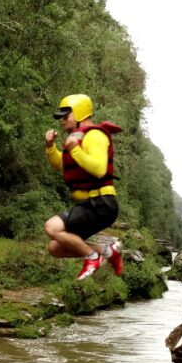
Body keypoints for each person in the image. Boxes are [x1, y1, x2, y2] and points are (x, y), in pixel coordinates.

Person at [43, 94, 123, 280]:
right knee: (55, 248)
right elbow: (59, 164)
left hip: (102, 203)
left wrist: (75, 149)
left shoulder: (95, 135)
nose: (62, 121)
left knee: (52, 227)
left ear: (78, 114)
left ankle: (93, 258)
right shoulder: (75, 138)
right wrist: (50, 147)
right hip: (87, 204)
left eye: (66, 116)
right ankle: (108, 252)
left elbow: (99, 169)